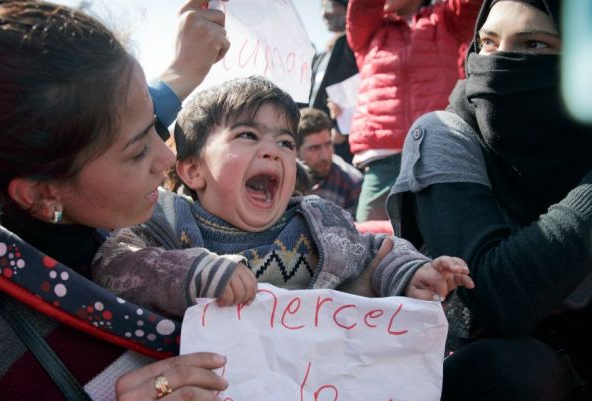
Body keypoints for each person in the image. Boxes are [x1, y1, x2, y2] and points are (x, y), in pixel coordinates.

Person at [0, 1, 232, 401]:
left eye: (153, 125)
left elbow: (121, 120)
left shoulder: (90, 193)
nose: (166, 156)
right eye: (140, 148)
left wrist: (183, 70)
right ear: (41, 193)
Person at [92, 75, 474, 342]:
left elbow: (378, 253)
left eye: (286, 143)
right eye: (247, 135)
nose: (273, 151)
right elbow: (113, 264)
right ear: (193, 170)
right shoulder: (168, 222)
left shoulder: (320, 224)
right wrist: (190, 272)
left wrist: (412, 273)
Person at [387, 0, 592, 401]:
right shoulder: (444, 132)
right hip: (493, 395)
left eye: (535, 45)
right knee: (521, 373)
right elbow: (497, 295)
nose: (498, 62)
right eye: (488, 43)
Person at [346, 0, 482, 222]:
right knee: (371, 245)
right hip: (385, 160)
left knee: (442, 239)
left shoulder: (447, 19)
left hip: (437, 150)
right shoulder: (369, 29)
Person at [308, 0, 359, 164]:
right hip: (318, 145)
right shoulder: (322, 55)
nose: (324, 14)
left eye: (329, 7)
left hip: (344, 145)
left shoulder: (354, 47)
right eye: (321, 8)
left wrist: (341, 129)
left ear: (348, 7)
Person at [297, 107, 363, 217]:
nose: (324, 155)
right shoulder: (284, 177)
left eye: (328, 144)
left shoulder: (351, 182)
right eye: (314, 148)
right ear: (296, 151)